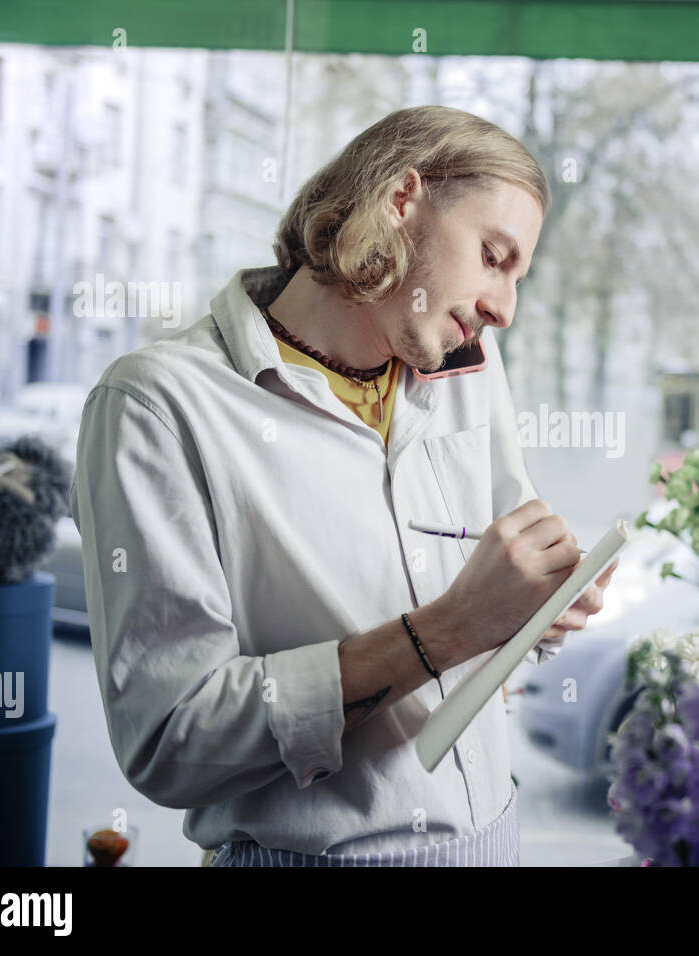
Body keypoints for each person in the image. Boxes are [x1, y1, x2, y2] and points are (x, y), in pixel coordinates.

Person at [70, 105, 619, 867]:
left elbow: (493, 630)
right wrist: (449, 629)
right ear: (402, 202)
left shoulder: (465, 373)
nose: (506, 309)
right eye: (495, 257)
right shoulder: (159, 405)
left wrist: (531, 609)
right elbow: (172, 742)